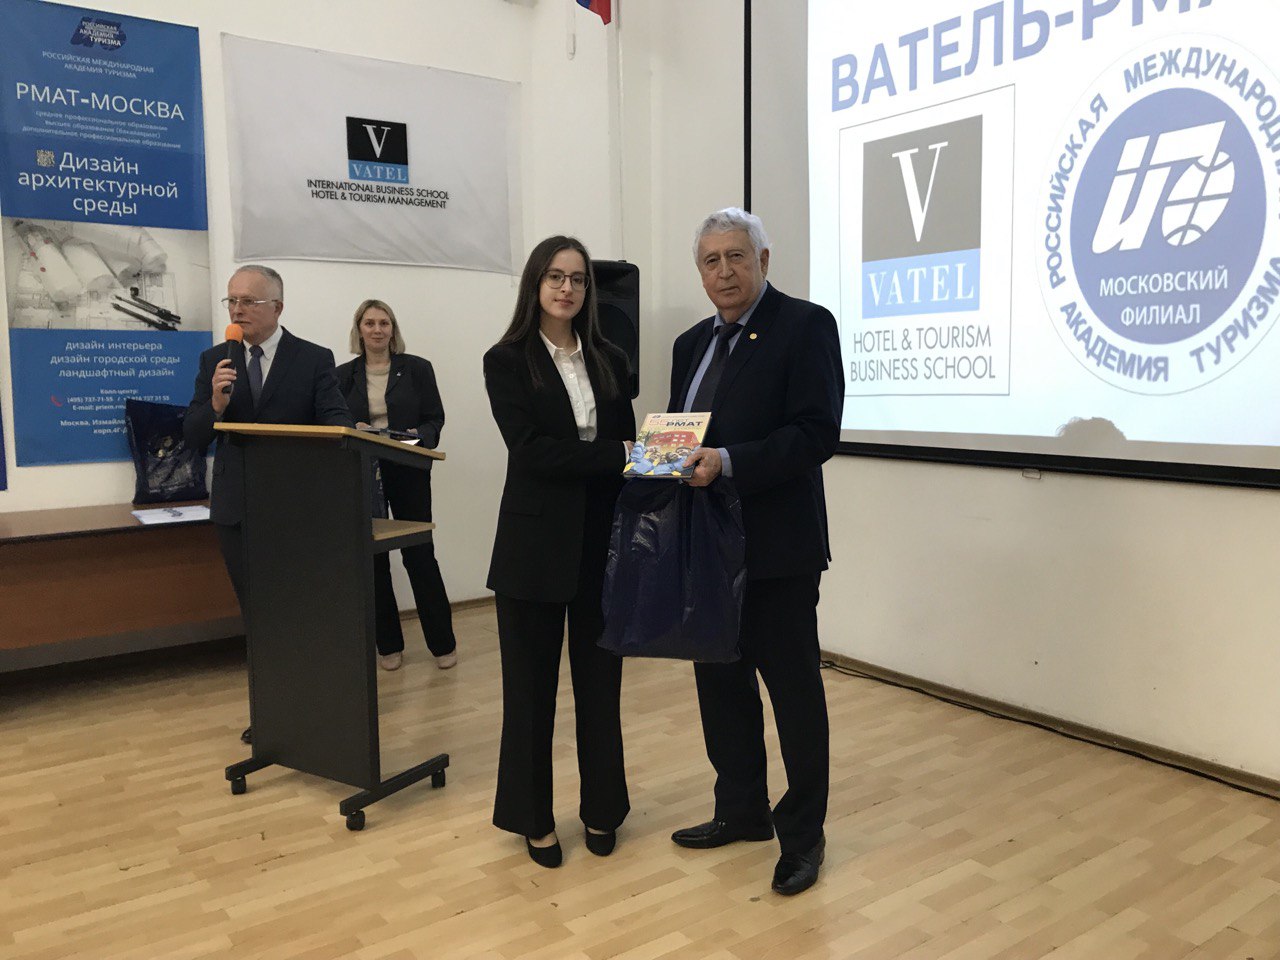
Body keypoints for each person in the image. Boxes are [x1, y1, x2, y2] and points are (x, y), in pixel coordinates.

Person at [667, 208, 842, 896]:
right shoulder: (689, 344)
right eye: (711, 261)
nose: (724, 272)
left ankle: (803, 836)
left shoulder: (805, 326)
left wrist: (729, 461)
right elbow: (683, 432)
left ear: (763, 261)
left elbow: (816, 433)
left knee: (793, 695)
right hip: (706, 549)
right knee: (720, 687)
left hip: (778, 552)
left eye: (736, 256)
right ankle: (740, 810)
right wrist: (653, 460)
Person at [482, 235, 635, 868]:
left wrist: (652, 455)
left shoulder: (610, 357)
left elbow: (628, 443)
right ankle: (532, 819)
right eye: (555, 276)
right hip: (533, 548)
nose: (567, 288)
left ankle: (603, 810)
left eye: (577, 278)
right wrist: (616, 457)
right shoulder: (505, 359)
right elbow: (532, 452)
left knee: (601, 688)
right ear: (535, 284)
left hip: (602, 544)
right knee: (529, 694)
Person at [184, 265, 354, 744]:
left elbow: (335, 422)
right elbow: (193, 436)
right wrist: (216, 405)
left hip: (294, 509)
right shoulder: (214, 360)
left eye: (249, 301)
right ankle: (272, 715)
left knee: (299, 612)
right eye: (232, 301)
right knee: (257, 616)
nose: (238, 310)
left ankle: (313, 707)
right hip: (237, 508)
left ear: (277, 307)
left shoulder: (313, 358)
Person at [336, 300, 458, 672]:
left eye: (384, 323)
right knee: (373, 557)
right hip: (363, 470)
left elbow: (435, 420)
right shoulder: (342, 375)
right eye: (369, 323)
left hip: (408, 468)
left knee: (419, 554)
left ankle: (443, 644)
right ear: (359, 329)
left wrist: (415, 436)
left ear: (393, 329)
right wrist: (353, 428)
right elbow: (334, 420)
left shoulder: (417, 369)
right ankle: (388, 644)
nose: (377, 329)